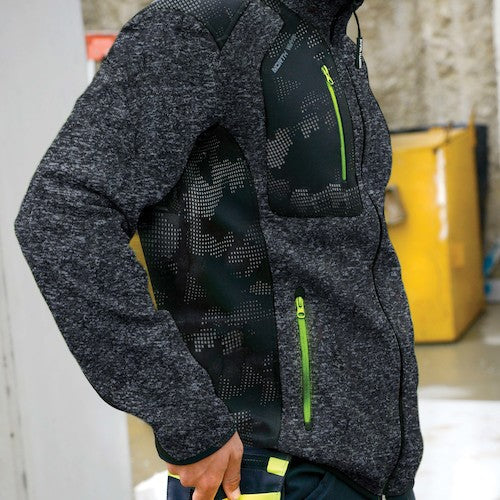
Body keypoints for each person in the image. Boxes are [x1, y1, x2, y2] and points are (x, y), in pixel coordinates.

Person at [14, 0, 424, 499]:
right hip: (262, 472)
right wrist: (185, 415)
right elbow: (61, 213)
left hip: (359, 471)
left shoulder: (327, 36)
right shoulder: (200, 30)